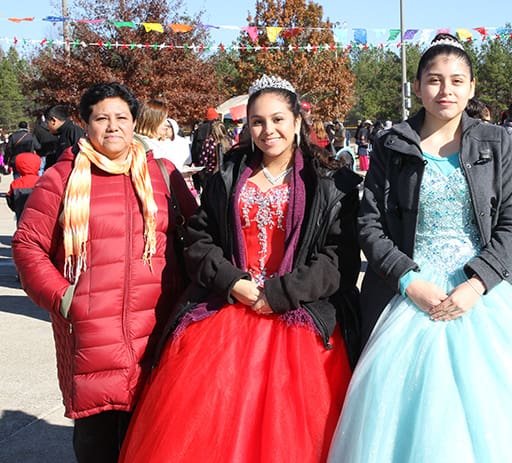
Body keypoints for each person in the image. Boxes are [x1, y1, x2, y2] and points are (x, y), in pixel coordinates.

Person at [328, 34, 512, 463]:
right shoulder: (391, 144)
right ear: (418, 87)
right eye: (435, 80)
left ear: (472, 87)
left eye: (457, 81)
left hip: (482, 295)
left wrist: (477, 284)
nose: (446, 91)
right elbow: (370, 224)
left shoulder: (496, 143)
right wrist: (408, 281)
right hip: (409, 296)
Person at [119, 74, 363, 462]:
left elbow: (340, 259)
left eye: (279, 119)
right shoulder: (227, 179)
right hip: (229, 311)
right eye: (258, 122)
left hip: (300, 314)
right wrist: (234, 283)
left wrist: (282, 293)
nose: (269, 131)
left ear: (297, 122)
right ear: (247, 126)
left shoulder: (331, 184)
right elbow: (198, 242)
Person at [11, 82, 198, 463]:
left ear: (134, 123)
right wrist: (65, 298)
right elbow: (28, 245)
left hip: (156, 331)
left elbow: (196, 238)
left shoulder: (161, 175)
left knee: (153, 442)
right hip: (92, 334)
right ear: (86, 123)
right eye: (101, 118)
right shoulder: (62, 178)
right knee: (97, 443)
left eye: (121, 118)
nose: (112, 127)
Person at [6, 151, 40, 222]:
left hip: (21, 217)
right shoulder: (43, 181)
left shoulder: (15, 183)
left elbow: (10, 200)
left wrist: (16, 209)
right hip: (39, 219)